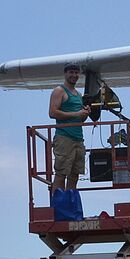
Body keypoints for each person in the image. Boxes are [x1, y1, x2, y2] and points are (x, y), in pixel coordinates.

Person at [49, 63, 90, 193]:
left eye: (76, 73)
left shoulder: (78, 94)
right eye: (71, 72)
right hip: (64, 137)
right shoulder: (59, 91)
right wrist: (76, 113)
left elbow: (79, 119)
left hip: (78, 138)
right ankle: (58, 205)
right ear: (65, 74)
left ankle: (69, 203)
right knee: (61, 173)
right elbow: (52, 113)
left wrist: (85, 113)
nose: (74, 75)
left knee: (74, 174)